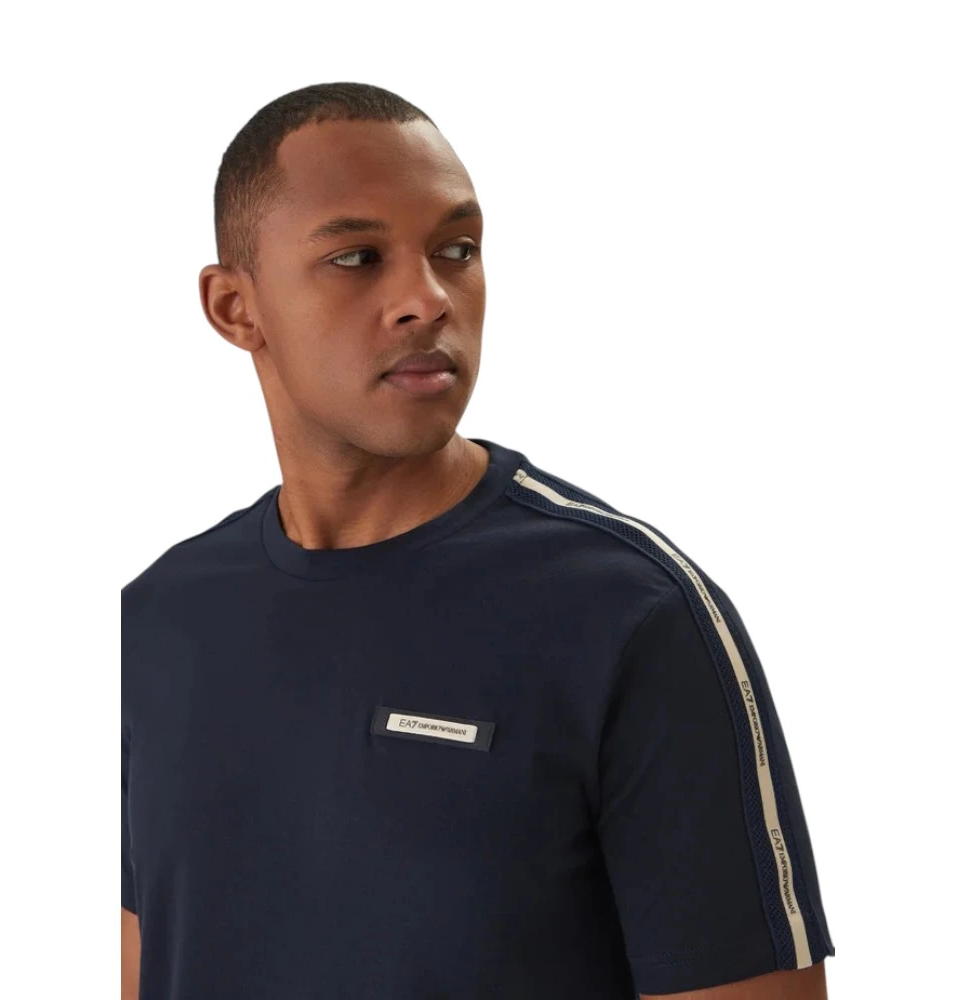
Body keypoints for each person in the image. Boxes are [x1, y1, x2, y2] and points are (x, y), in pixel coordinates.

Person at [121, 81, 835, 1000]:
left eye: (456, 251)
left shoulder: (634, 620)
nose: (426, 299)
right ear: (235, 308)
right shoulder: (156, 619)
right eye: (357, 258)